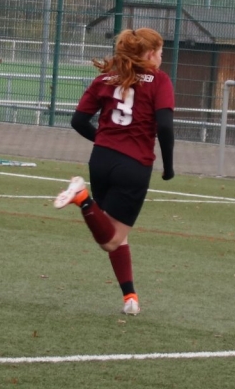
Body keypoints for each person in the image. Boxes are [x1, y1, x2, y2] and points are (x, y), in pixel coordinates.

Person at [52, 27, 176, 315]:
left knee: (115, 231)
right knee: (110, 241)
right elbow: (165, 126)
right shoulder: (159, 80)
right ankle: (82, 198)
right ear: (149, 54)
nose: (161, 58)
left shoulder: (105, 79)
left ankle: (130, 297)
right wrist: (169, 166)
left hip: (101, 161)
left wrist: (105, 140)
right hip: (133, 166)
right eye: (160, 52)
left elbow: (78, 121)